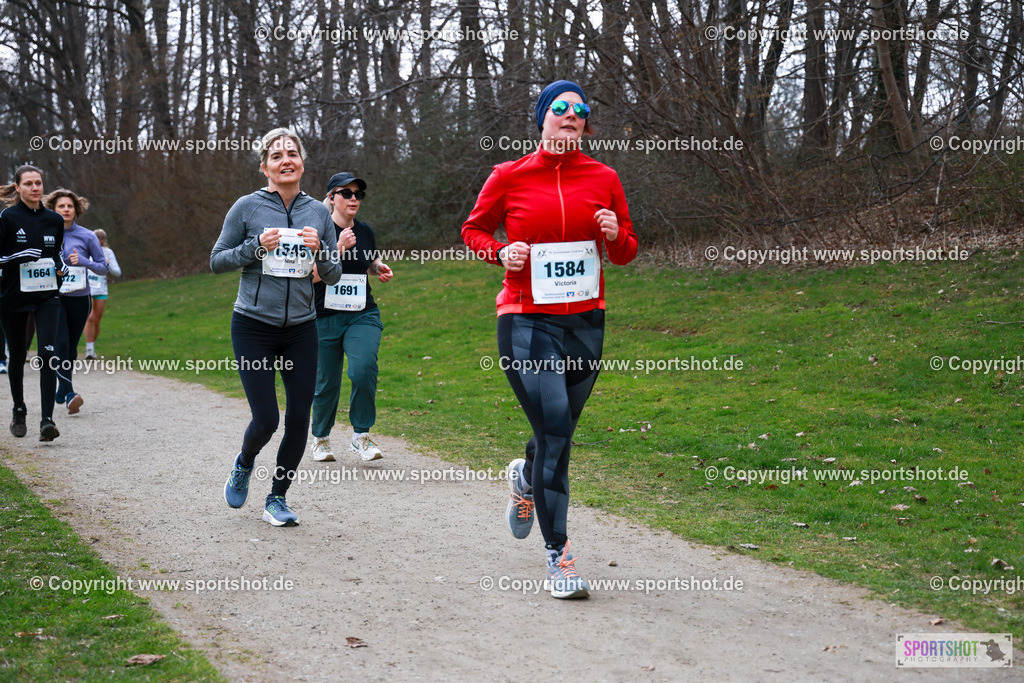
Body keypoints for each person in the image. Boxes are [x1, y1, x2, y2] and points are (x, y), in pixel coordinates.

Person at [461, 80, 638, 599]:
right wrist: (501, 253)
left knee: (556, 431)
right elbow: (473, 230)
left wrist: (611, 233)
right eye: (559, 109)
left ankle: (525, 476)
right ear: (542, 119)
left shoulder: (604, 178)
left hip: (585, 322)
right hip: (525, 319)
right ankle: (559, 557)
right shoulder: (509, 176)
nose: (570, 116)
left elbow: (626, 251)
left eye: (580, 110)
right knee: (557, 430)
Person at [211, 127, 343, 527]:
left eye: (292, 153)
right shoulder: (247, 208)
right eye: (276, 155)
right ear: (264, 167)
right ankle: (244, 461)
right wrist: (255, 248)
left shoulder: (319, 213)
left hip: (302, 328)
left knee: (299, 418)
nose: (286, 160)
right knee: (267, 419)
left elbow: (334, 275)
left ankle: (277, 498)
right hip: (253, 326)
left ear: (302, 163)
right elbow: (217, 260)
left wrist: (321, 252)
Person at [309, 172, 393, 463]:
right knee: (326, 383)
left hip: (361, 314)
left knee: (363, 368)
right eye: (347, 193)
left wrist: (378, 267)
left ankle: (361, 436)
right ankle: (320, 438)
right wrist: (339, 247)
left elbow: (367, 260)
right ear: (332, 197)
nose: (354, 198)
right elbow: (309, 277)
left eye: (359, 194)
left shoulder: (365, 230)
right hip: (323, 317)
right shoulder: (318, 232)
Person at [0, 165, 72, 441]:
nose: (34, 188)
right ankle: (19, 409)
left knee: (47, 355)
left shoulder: (54, 219)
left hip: (47, 295)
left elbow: (57, 254)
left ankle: (47, 421)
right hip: (13, 296)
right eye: (28, 183)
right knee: (17, 355)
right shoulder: (7, 217)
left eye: (38, 183)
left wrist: (60, 266)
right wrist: (21, 256)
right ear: (17, 187)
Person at [44, 189, 108, 413]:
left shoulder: (87, 236)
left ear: (76, 210)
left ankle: (62, 387)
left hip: (80, 299)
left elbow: (102, 267)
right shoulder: (46, 233)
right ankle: (70, 392)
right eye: (61, 206)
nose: (66, 210)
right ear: (53, 209)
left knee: (70, 347)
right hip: (53, 298)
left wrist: (83, 261)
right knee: (60, 343)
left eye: (69, 206)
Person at [84, 229, 121, 360]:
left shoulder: (108, 252)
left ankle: (91, 345)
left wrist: (108, 264)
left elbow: (117, 272)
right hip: (87, 289)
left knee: (96, 321)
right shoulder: (85, 250)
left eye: (101, 242)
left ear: (104, 241)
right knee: (90, 318)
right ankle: (89, 350)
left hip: (101, 290)